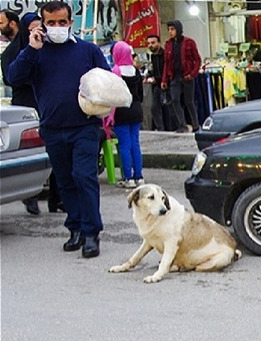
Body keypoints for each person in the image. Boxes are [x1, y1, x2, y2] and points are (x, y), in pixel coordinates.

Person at [5, 0, 111, 258]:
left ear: (70, 22)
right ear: (42, 23)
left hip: (84, 126)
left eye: (62, 22)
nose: (57, 27)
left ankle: (90, 234)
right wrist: (31, 48)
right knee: (65, 182)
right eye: (51, 23)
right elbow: (13, 77)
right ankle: (74, 228)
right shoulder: (36, 52)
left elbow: (108, 82)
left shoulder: (87, 51)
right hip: (52, 128)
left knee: (84, 177)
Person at [1, 9, 42, 215]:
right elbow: (10, 77)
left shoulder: (45, 49)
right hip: (26, 106)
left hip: (45, 104)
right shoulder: (12, 53)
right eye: (32, 28)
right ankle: (31, 196)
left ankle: (56, 198)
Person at [107, 40, 144, 189]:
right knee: (135, 143)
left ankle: (127, 177)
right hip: (136, 109)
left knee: (124, 144)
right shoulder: (136, 71)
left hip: (121, 111)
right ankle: (139, 177)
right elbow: (141, 95)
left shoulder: (115, 72)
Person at [161, 20, 201, 134]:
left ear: (178, 29)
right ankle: (182, 124)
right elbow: (166, 63)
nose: (170, 32)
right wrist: (164, 79)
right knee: (175, 100)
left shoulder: (189, 42)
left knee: (189, 101)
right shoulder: (168, 45)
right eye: (169, 29)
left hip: (187, 76)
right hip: (174, 77)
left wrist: (193, 74)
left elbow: (197, 59)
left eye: (172, 29)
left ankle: (195, 124)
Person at [145, 34, 165, 131]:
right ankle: (161, 128)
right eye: (148, 43)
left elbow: (165, 70)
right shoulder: (153, 56)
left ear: (159, 43)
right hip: (157, 85)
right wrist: (148, 76)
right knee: (155, 108)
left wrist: (156, 79)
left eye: (153, 43)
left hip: (165, 85)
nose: (150, 45)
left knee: (167, 108)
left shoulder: (164, 55)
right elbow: (155, 69)